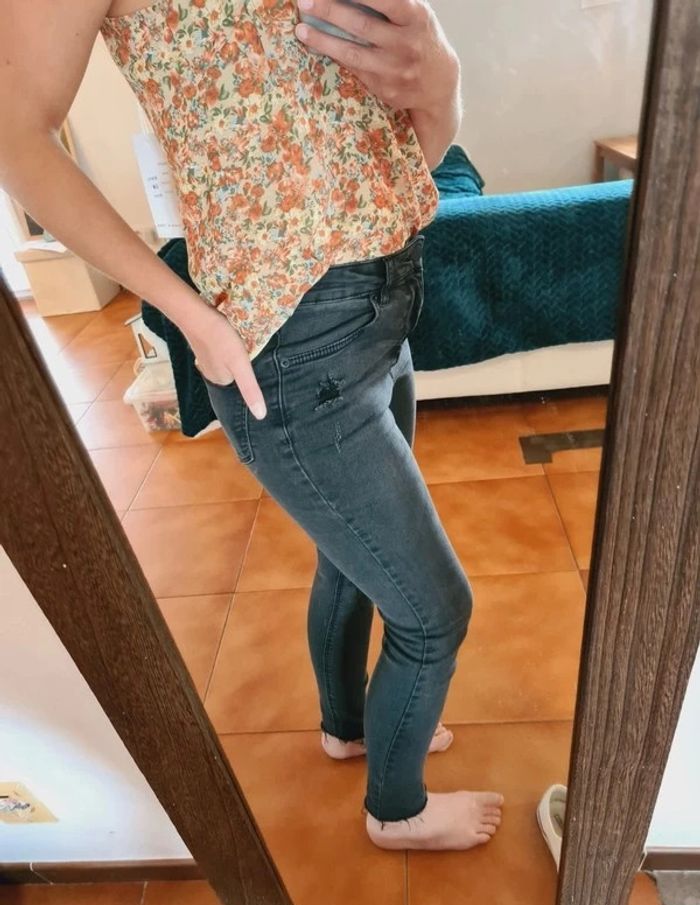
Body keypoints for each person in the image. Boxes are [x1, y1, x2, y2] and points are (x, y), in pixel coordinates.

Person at [0, 0, 503, 851]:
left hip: (383, 301)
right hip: (294, 347)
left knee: (354, 562)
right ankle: (397, 810)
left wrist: (444, 84)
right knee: (434, 613)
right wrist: (186, 313)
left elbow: (392, 127)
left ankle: (348, 727)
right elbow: (15, 134)